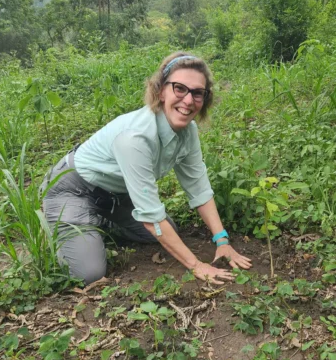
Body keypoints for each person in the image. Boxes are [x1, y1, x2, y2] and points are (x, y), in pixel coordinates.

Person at [42, 51, 252, 284]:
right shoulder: (135, 138)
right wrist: (197, 265)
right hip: (74, 188)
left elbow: (199, 188)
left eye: (198, 93)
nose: (189, 100)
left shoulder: (188, 130)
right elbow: (152, 217)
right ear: (161, 90)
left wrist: (222, 241)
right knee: (89, 272)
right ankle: (61, 223)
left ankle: (99, 221)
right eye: (179, 88)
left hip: (116, 195)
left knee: (164, 230)